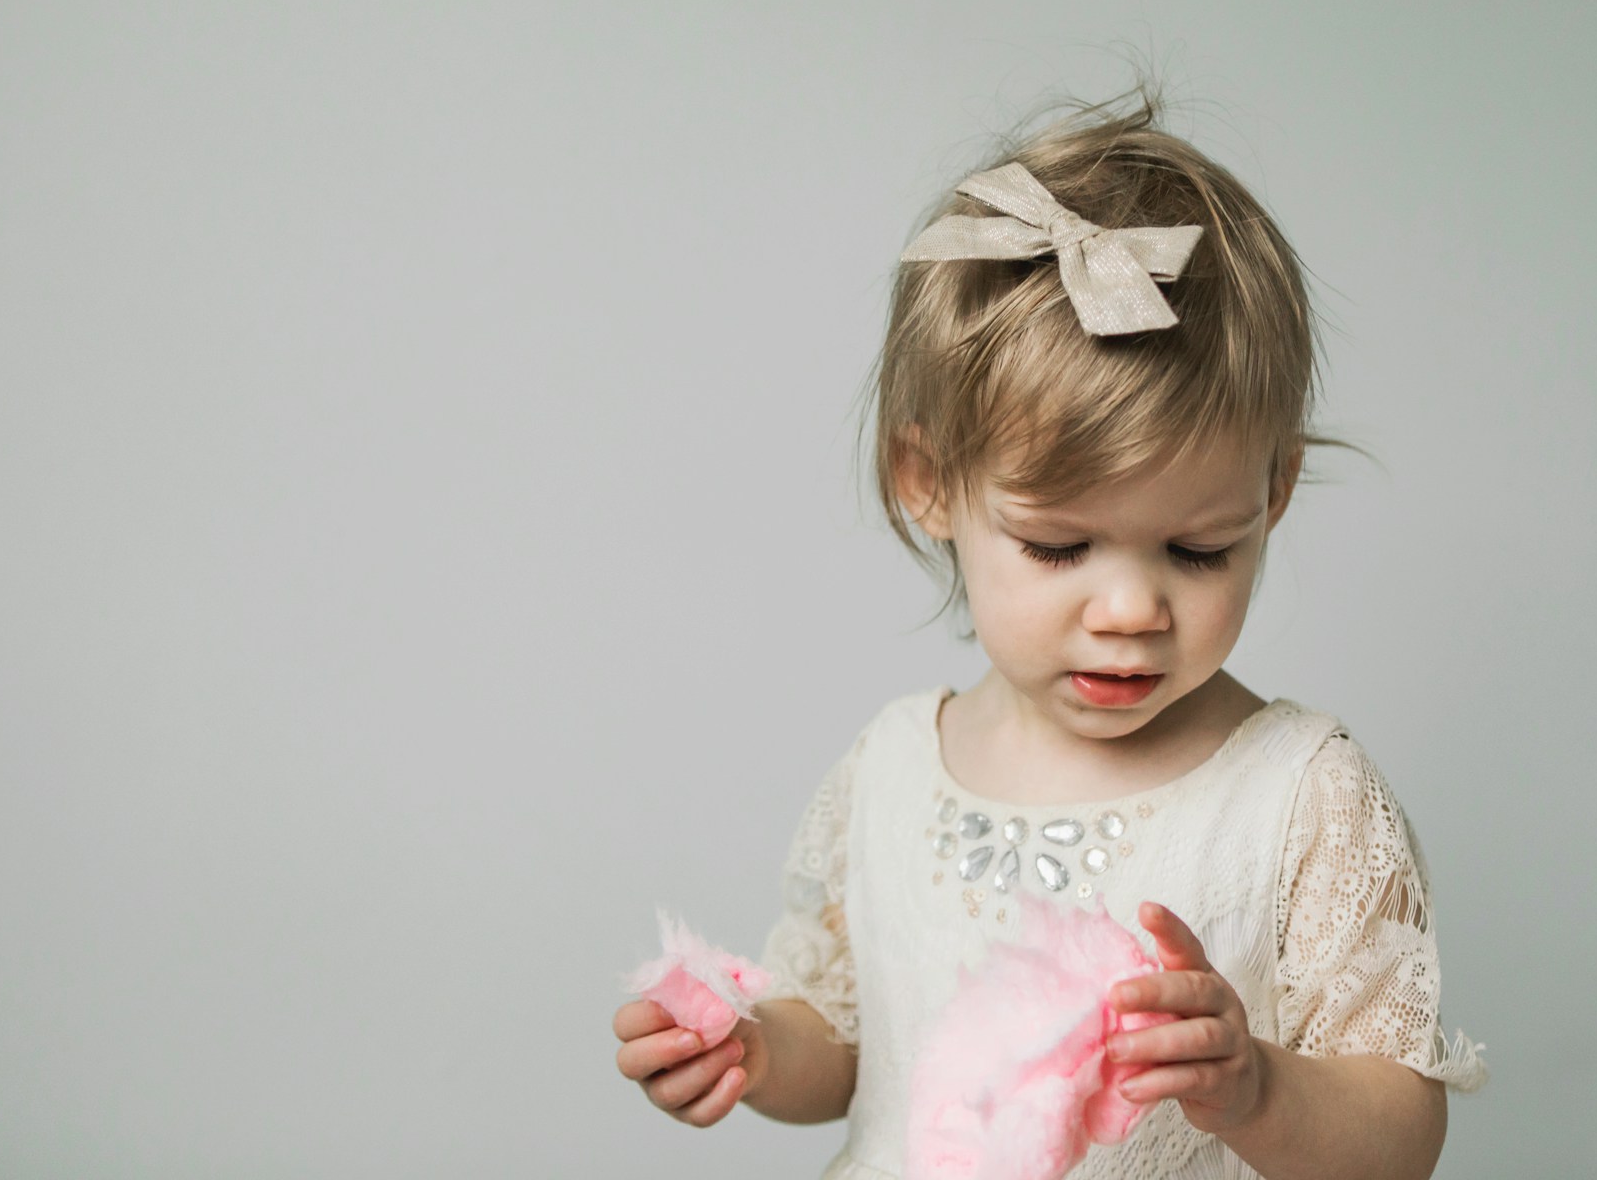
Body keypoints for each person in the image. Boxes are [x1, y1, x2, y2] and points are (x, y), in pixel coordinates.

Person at [613, 88, 1487, 1180]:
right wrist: (750, 1046)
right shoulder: (890, 773)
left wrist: (1257, 1086)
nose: (1129, 609)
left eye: (1198, 550)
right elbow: (844, 1045)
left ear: (1274, 493)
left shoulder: (1300, 797)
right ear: (927, 482)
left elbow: (1399, 1135)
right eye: (1061, 547)